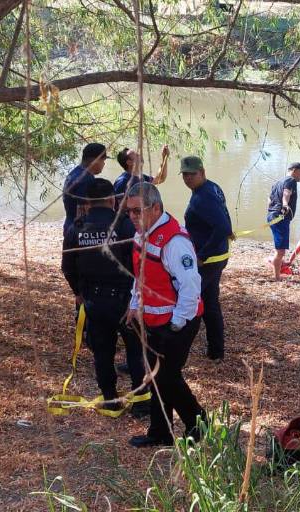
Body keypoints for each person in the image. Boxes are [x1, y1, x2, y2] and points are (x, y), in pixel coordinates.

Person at [124, 182, 206, 447]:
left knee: (167, 377)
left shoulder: (175, 242)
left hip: (177, 322)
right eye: (129, 212)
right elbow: (141, 275)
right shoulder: (142, 234)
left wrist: (176, 323)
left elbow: (191, 286)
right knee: (156, 377)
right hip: (152, 320)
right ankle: (161, 432)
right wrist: (134, 304)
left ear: (156, 207)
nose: (133, 217)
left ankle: (198, 424)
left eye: (138, 211)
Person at [61, 179, 148, 417]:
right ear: (113, 200)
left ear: (87, 203)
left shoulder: (77, 228)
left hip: (94, 301)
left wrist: (78, 293)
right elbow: (139, 262)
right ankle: (140, 404)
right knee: (135, 351)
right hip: (125, 300)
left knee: (102, 352)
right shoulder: (125, 226)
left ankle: (110, 399)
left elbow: (67, 266)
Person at [181, 156, 233, 361]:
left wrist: (202, 255)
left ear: (202, 172)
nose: (188, 178)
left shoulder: (203, 197)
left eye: (192, 174)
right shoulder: (212, 187)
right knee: (210, 303)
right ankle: (216, 351)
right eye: (184, 174)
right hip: (219, 255)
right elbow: (223, 215)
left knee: (189, 302)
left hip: (208, 260)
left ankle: (176, 351)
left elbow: (222, 226)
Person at [267, 162, 300, 280]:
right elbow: (286, 193)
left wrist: (270, 213)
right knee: (280, 252)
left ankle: (277, 272)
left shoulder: (277, 182)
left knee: (279, 250)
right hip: (280, 218)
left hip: (273, 216)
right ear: (294, 170)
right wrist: (285, 204)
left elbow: (269, 199)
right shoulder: (291, 181)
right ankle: (277, 277)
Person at [63, 143, 107, 235]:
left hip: (69, 223)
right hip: (78, 229)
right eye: (103, 160)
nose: (104, 164)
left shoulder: (76, 172)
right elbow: (83, 210)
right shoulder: (86, 179)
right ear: (95, 160)